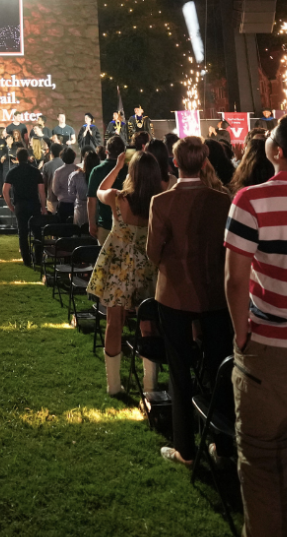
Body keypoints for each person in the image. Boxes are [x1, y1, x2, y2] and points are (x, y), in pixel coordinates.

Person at [224, 113, 287, 537]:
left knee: (263, 465)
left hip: (272, 348)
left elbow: (235, 279)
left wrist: (242, 334)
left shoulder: (251, 200)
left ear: (277, 151)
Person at [147, 136, 233, 467]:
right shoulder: (222, 200)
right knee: (218, 367)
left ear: (175, 163)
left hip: (175, 293)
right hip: (215, 293)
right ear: (205, 162)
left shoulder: (162, 202)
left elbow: (153, 252)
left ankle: (184, 446)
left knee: (179, 368)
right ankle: (222, 446)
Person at [88, 150, 159, 395]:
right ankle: (150, 386)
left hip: (117, 266)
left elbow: (99, 190)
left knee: (114, 322)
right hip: (146, 266)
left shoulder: (117, 198)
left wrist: (117, 167)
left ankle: (114, 385)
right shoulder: (158, 202)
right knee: (148, 324)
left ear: (132, 173)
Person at [2, 147, 46, 267]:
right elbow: (41, 192)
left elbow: (5, 191)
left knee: (22, 233)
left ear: (17, 158)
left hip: (20, 205)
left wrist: (10, 205)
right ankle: (38, 258)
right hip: (34, 204)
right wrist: (43, 207)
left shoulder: (12, 172)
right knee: (37, 232)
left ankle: (27, 260)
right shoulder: (35, 172)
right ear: (28, 158)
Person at [87, 136, 128, 245]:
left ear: (106, 151)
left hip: (105, 224)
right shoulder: (129, 169)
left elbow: (91, 200)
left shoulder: (97, 170)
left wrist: (92, 223)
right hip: (127, 224)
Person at [69, 149, 99, 228]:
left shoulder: (75, 175)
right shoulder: (101, 176)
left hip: (80, 209)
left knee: (79, 231)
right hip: (97, 209)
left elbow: (71, 193)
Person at [50, 147, 79, 221]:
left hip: (63, 203)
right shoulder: (79, 171)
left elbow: (55, 189)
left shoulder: (58, 172)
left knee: (62, 225)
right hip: (76, 203)